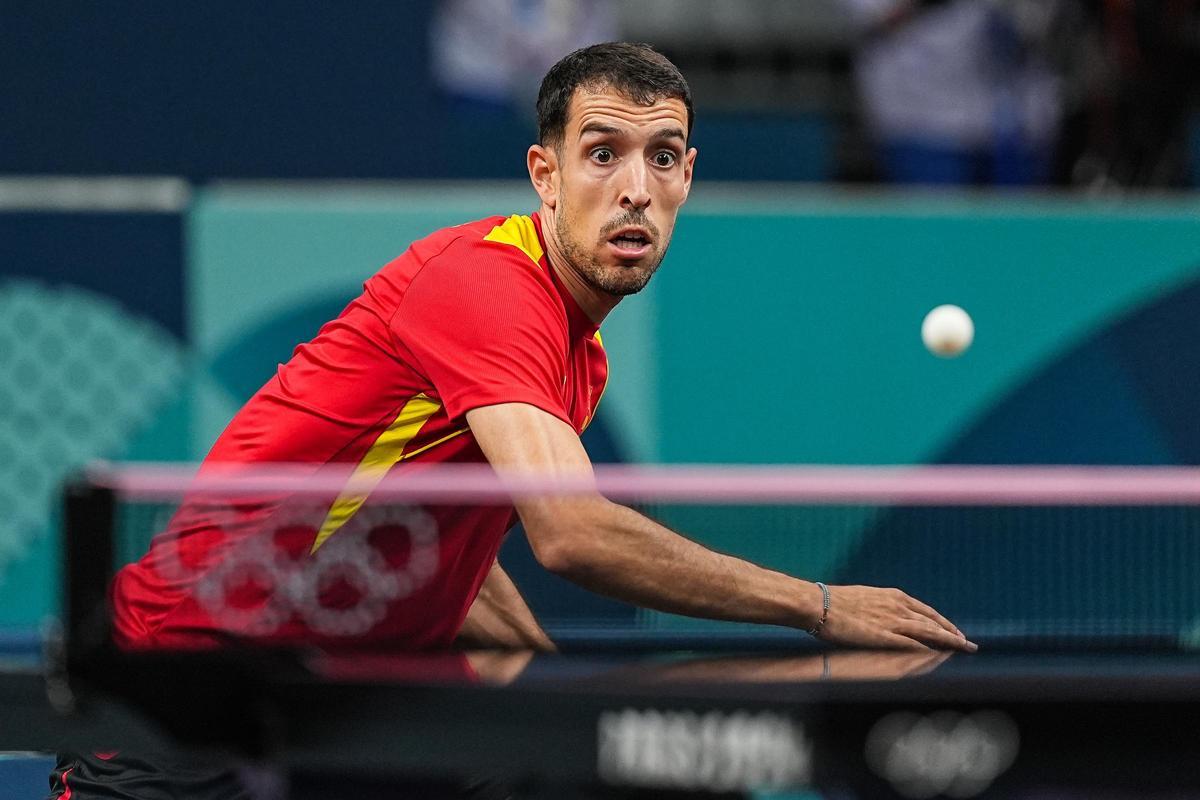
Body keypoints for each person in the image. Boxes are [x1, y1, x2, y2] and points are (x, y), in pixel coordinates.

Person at [51, 42, 972, 800]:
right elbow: (569, 534)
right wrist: (819, 606)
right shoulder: (490, 287)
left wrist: (548, 694)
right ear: (545, 171)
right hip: (177, 692)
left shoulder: (581, 352)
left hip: (327, 698)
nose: (635, 190)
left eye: (662, 158)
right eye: (601, 153)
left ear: (689, 177)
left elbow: (431, 515)